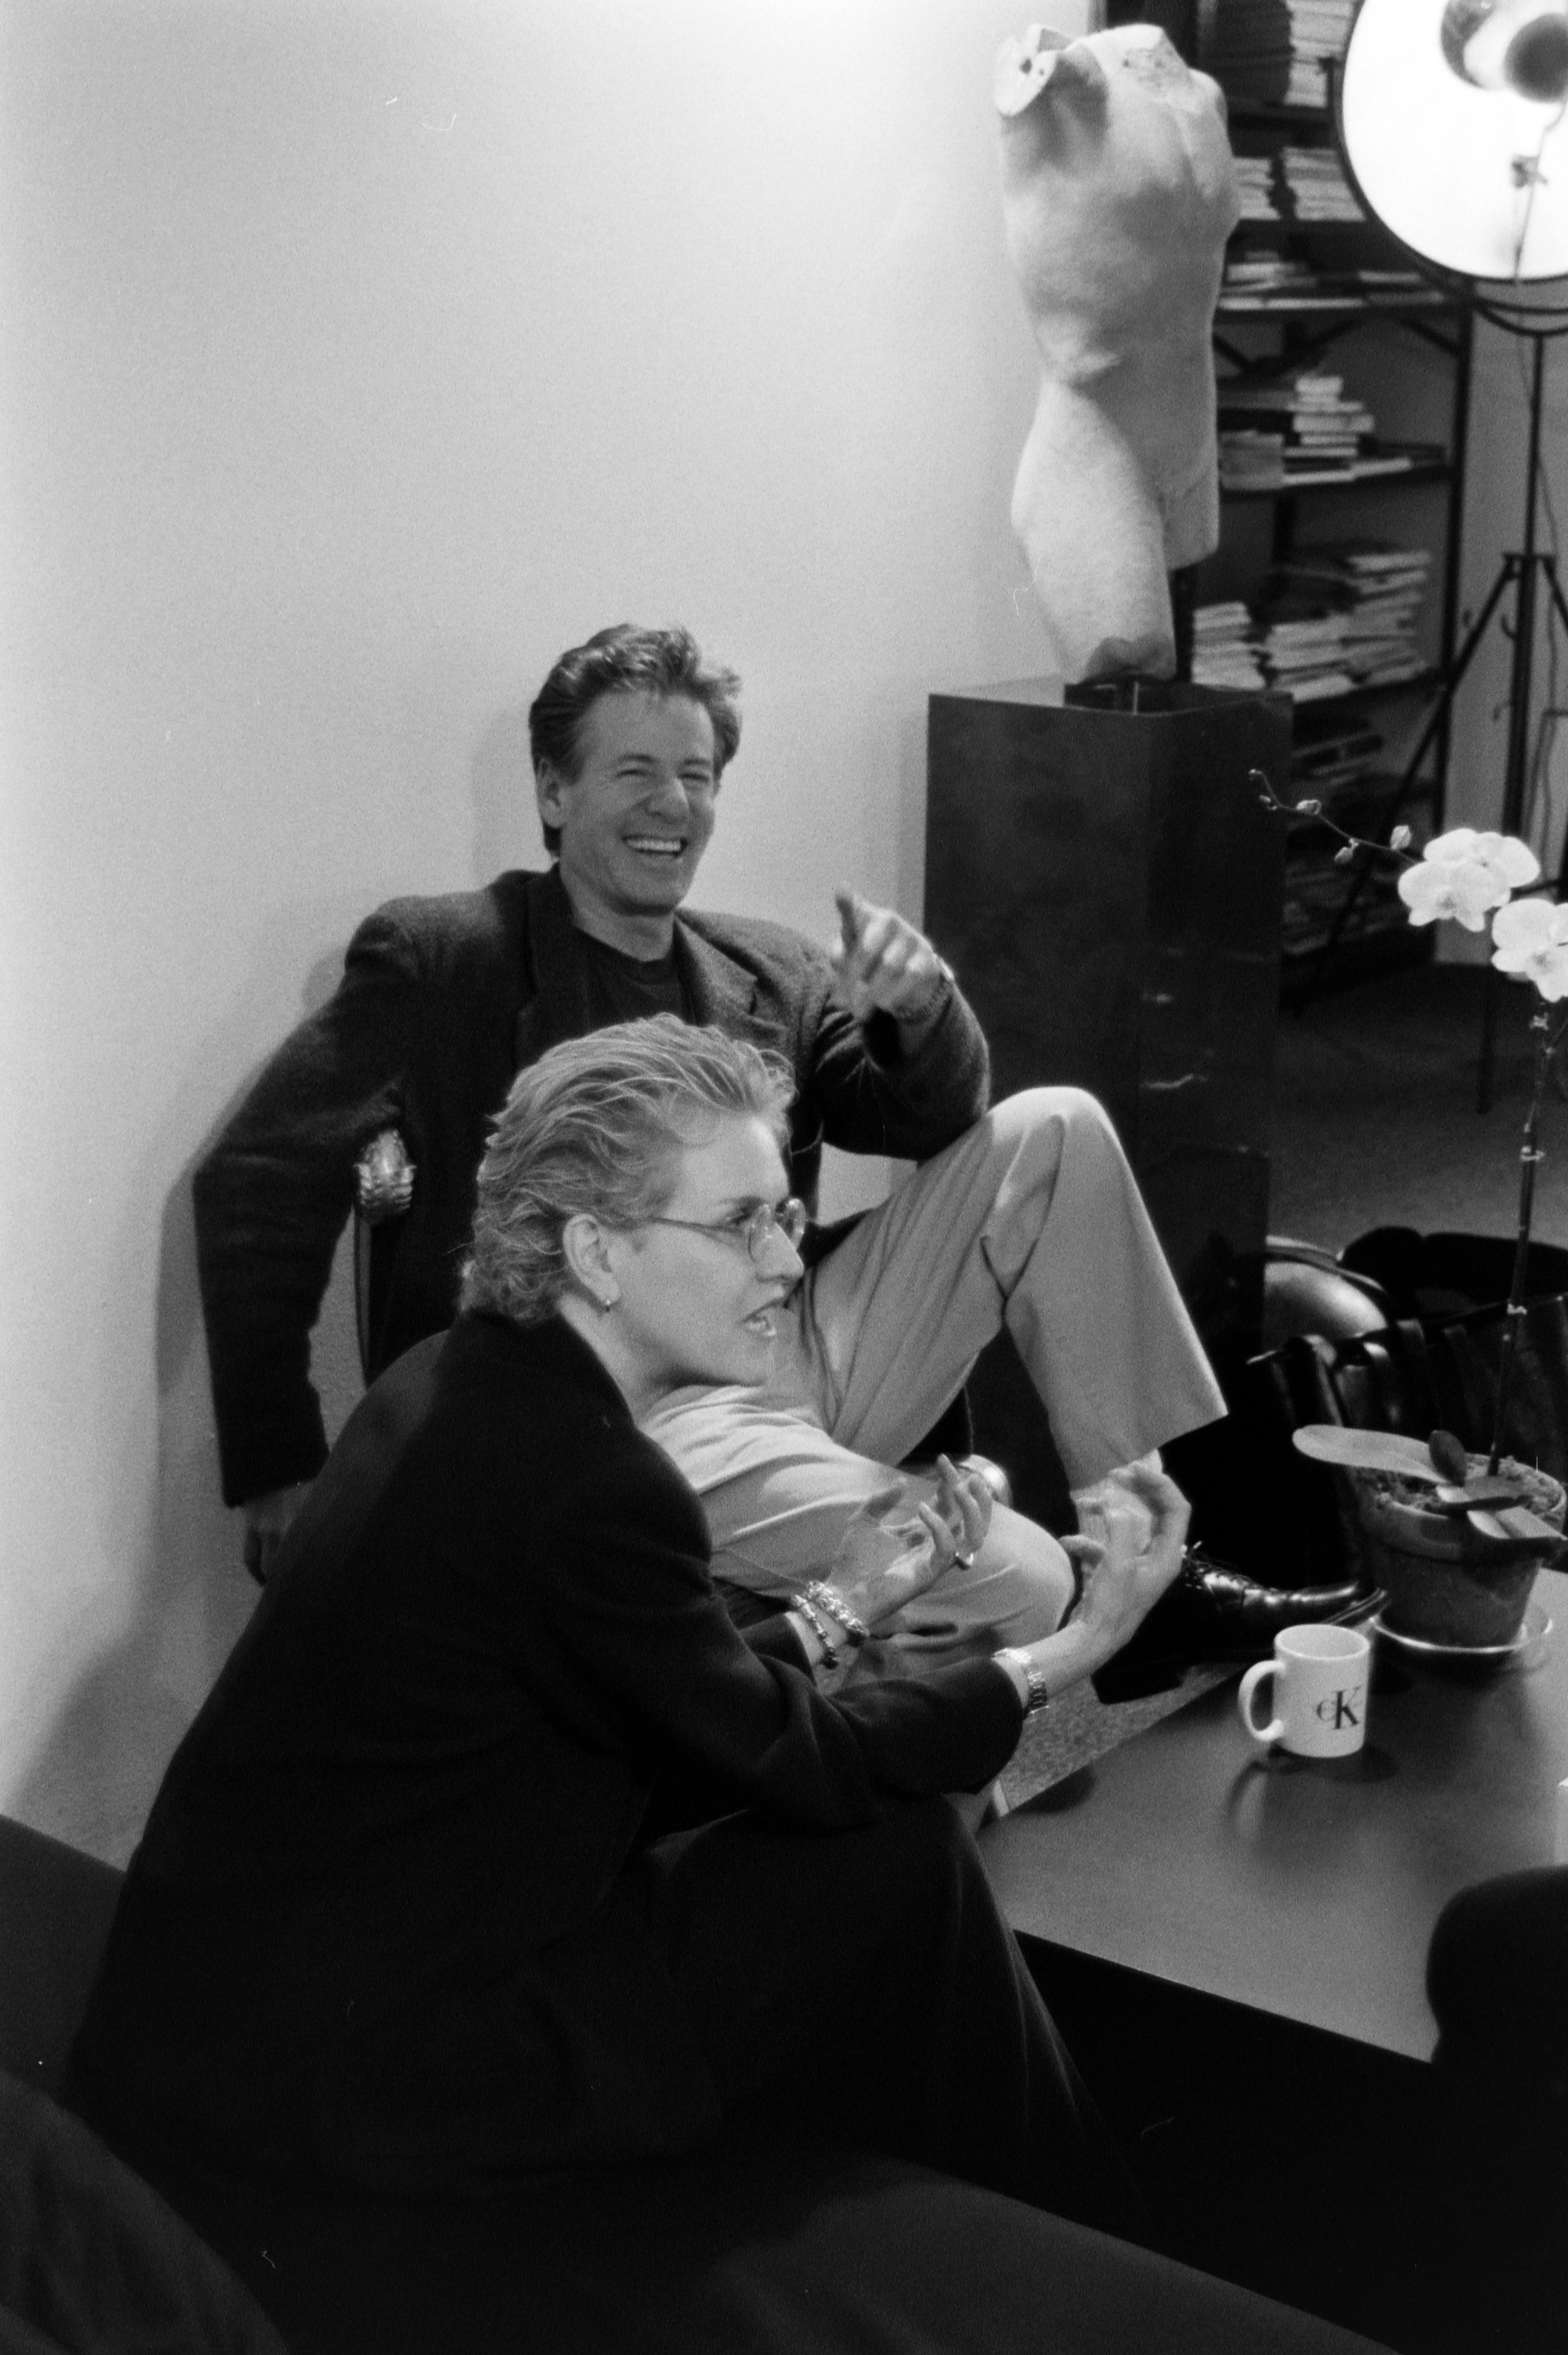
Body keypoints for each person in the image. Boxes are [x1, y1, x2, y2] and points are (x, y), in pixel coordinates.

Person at [69, 1020, 1193, 2263]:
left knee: (875, 1865)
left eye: (785, 1215)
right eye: (742, 1224)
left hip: (227, 2029)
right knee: (902, 1860)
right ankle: (1106, 2269)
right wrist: (1070, 1652)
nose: (789, 1258)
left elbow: (676, 1698)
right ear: (597, 1253)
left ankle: (1055, 2236)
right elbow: (799, 1762)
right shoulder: (592, 1481)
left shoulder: (447, 1379)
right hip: (377, 2084)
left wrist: (853, 1600)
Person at [195, 620, 1227, 1606]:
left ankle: (1144, 1555)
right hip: (619, 1412)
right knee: (1017, 1573)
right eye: (635, 772)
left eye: (696, 775)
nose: (673, 804)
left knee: (1059, 1128)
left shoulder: (768, 967)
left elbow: (922, 1123)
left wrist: (923, 1008)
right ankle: (889, 1659)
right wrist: (278, 1461)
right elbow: (259, 1177)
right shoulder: (445, 959)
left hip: (794, 1343)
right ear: (553, 790)